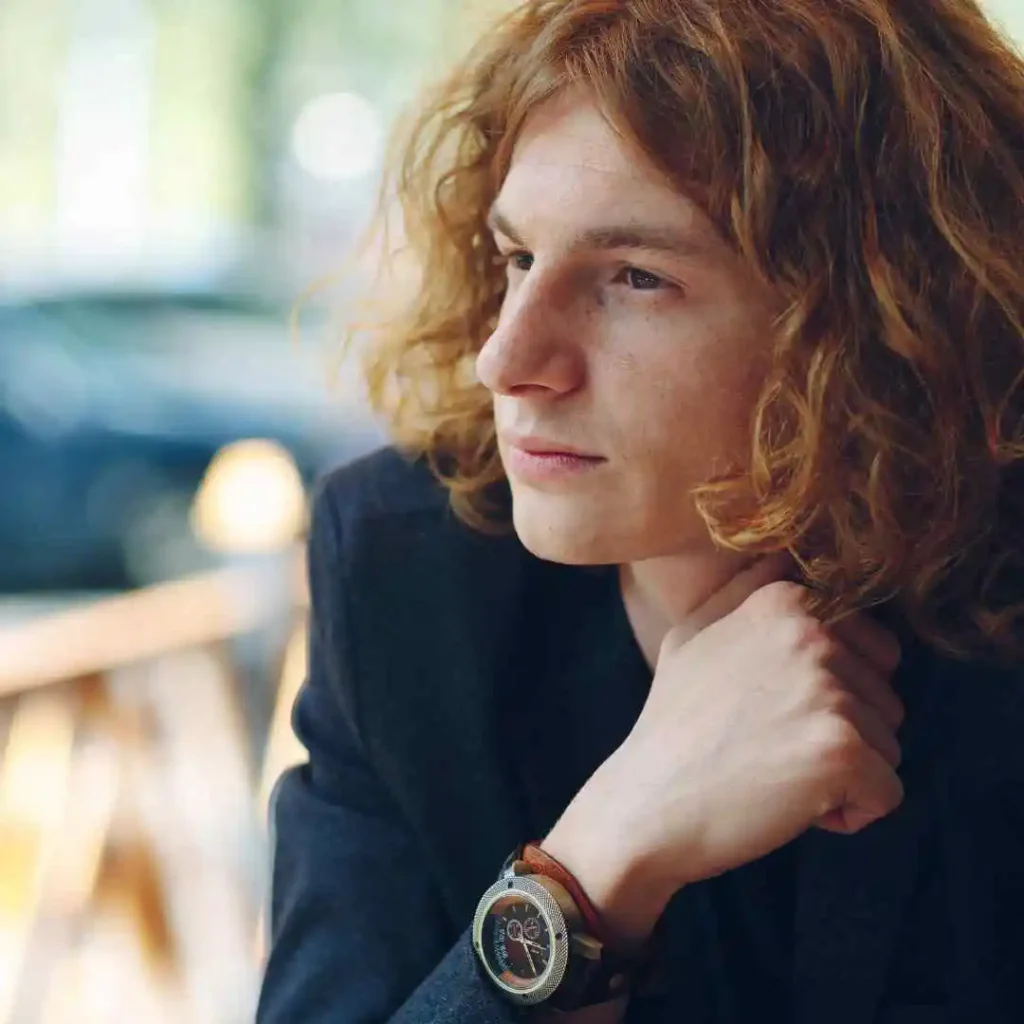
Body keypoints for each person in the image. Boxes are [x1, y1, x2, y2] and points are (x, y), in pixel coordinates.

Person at [256, 1, 1024, 1021]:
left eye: (634, 278)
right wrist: (597, 864)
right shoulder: (406, 575)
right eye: (518, 259)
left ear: (886, 317)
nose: (508, 359)